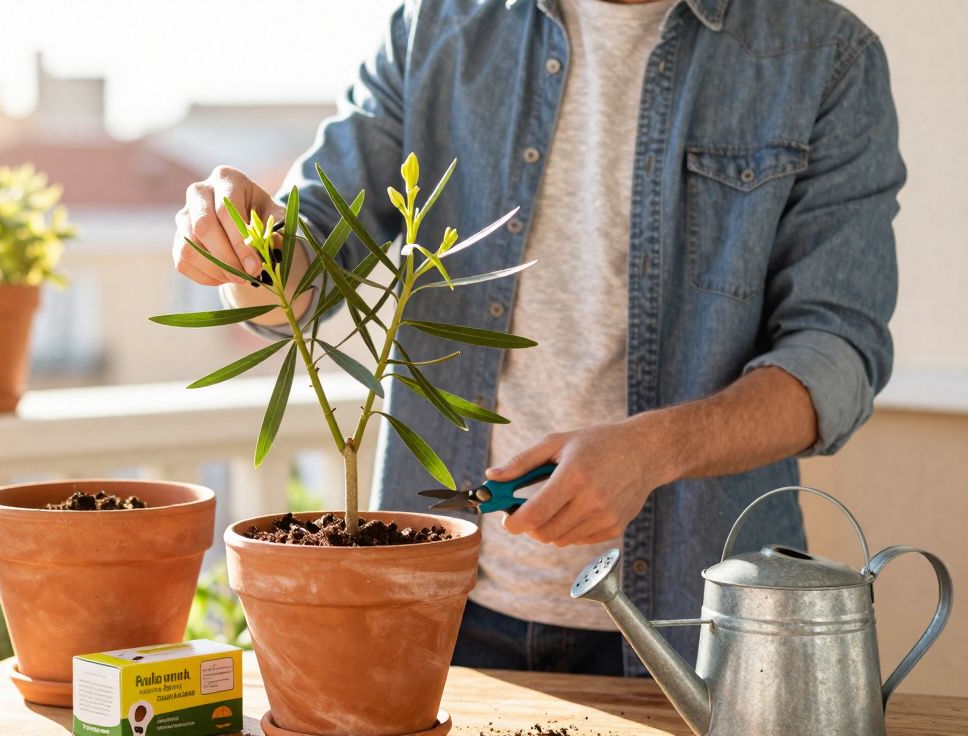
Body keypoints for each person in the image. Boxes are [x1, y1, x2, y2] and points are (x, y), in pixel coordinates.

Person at [169, 0, 902, 676]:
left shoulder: (825, 56)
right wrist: (242, 248)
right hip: (440, 613)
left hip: (699, 631)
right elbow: (305, 270)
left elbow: (837, 356)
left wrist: (653, 450)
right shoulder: (438, 24)